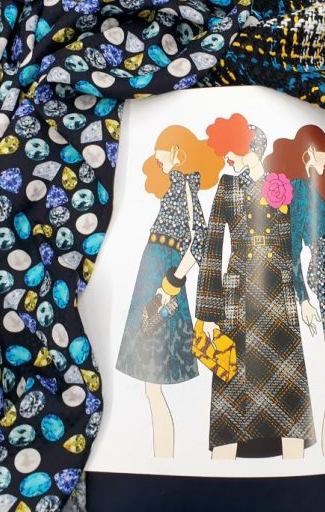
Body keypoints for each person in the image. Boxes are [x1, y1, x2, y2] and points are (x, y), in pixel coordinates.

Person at [196, 113, 316, 460]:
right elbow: (212, 246)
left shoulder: (280, 185)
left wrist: (303, 298)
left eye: (232, 148)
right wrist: (207, 313)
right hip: (237, 297)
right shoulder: (227, 186)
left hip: (278, 294)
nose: (227, 157)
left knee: (288, 398)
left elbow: (291, 249)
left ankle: (296, 471)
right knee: (231, 395)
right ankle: (220, 473)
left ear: (251, 148)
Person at [116, 125, 223, 457]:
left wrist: (172, 283)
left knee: (153, 388)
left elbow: (199, 241)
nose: (156, 156)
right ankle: (163, 458)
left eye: (161, 148)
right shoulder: (175, 186)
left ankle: (165, 459)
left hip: (161, 281)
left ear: (177, 151)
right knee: (151, 389)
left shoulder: (185, 185)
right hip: (152, 276)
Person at [264, 125, 325, 456]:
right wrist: (303, 299)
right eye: (324, 153)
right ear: (309, 152)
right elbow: (291, 249)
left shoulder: (309, 187)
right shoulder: (299, 189)